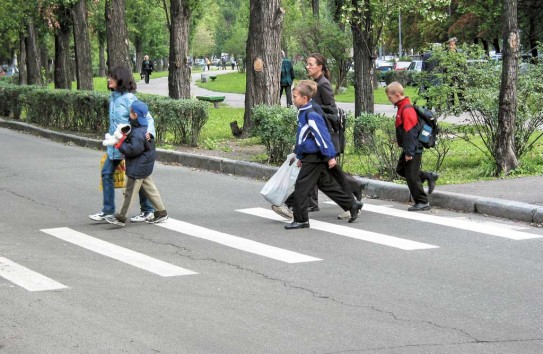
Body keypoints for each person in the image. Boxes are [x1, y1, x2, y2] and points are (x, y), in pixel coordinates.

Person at [284, 80, 362, 230]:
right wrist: (300, 155)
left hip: (315, 156)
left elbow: (322, 136)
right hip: (311, 154)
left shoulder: (311, 113)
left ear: (305, 98)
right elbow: (303, 137)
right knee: (325, 183)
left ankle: (301, 220)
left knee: (301, 186)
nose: (293, 99)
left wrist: (330, 156)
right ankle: (351, 204)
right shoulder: (305, 110)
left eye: (295, 96)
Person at [89, 66, 155, 222]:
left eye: (111, 77)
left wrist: (150, 133)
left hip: (131, 146)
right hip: (116, 145)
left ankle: (148, 211)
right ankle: (108, 211)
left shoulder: (129, 99)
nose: (108, 79)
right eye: (109, 77)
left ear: (121, 79)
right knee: (106, 173)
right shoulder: (113, 97)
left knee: (137, 177)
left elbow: (148, 117)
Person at [105, 101, 168, 226]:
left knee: (129, 192)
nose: (129, 115)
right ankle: (161, 213)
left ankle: (120, 218)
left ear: (135, 115)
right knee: (151, 190)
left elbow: (133, 149)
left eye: (130, 113)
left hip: (137, 168)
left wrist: (120, 144)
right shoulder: (144, 128)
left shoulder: (139, 133)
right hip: (144, 166)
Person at [386, 81, 439, 212]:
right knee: (401, 170)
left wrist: (409, 152)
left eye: (390, 97)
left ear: (397, 95)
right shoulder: (402, 107)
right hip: (409, 147)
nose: (389, 100)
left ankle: (422, 202)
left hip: (413, 148)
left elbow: (410, 132)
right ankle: (428, 176)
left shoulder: (407, 109)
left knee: (411, 176)